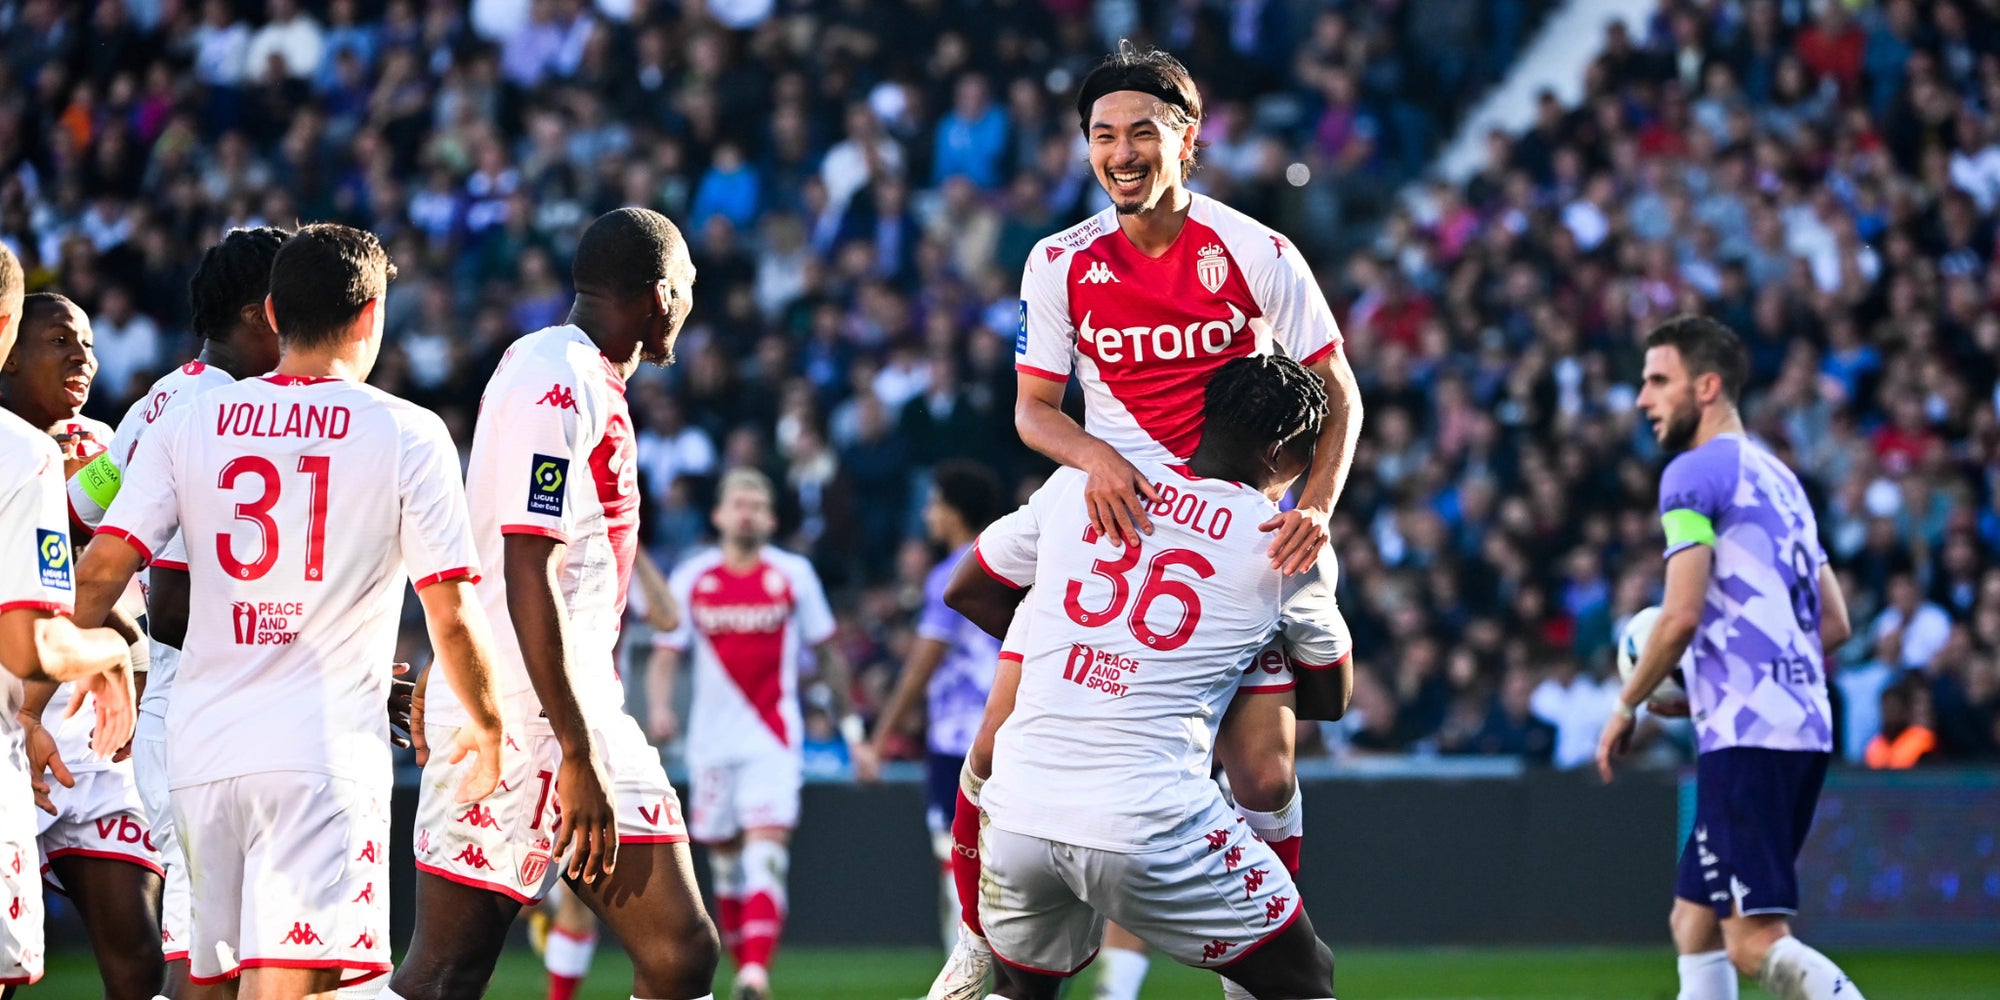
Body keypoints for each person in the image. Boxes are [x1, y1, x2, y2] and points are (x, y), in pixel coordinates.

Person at [935, 42, 1363, 1000]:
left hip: (1230, 522)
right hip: (1106, 511)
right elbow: (1034, 408)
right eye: (1102, 136)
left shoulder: (1257, 252)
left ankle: (1245, 942)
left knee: (1261, 777)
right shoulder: (1060, 261)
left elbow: (1339, 393)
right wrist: (1098, 462)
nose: (1121, 152)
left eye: (1142, 132)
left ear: (1188, 141)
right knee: (997, 737)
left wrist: (1316, 508)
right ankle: (978, 935)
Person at [69, 223, 507, 999]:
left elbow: (101, 564)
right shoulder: (408, 431)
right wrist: (487, 722)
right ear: (372, 315)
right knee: (296, 987)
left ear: (272, 313)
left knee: (205, 980)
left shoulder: (185, 415)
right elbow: (452, 610)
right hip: (320, 754)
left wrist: (65, 677)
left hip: (201, 752)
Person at [942, 354, 1351, 1000]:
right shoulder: (1284, 542)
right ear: (1280, 452)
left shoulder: (1087, 482)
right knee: (1305, 976)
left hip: (1018, 809)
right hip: (1148, 818)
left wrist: (1070, 646)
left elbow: (966, 588)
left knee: (1023, 993)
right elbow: (1330, 696)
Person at [390, 207, 720, 1000]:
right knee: (444, 973)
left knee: (680, 953)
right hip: (525, 719)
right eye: (690, 290)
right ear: (661, 295)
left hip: (575, 704)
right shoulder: (558, 380)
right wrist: (573, 750)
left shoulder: (569, 373)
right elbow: (523, 563)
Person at [1598, 315, 1865, 1000]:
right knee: (1694, 923)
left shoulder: (1692, 475)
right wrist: (1717, 678)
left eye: (1659, 380)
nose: (1642, 398)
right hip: (1799, 721)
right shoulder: (1782, 481)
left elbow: (1681, 614)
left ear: (1707, 387)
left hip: (1749, 737)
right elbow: (1833, 622)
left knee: (1753, 942)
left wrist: (1628, 705)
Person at [64, 225, 290, 997]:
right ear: (266, 313)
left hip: (170, 696)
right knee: (210, 952)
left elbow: (79, 508)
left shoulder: (160, 395)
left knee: (223, 941)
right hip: (199, 699)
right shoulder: (228, 415)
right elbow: (180, 604)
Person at [0, 292, 166, 1000]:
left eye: (90, 343)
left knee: (138, 957)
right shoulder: (23, 456)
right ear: (7, 354)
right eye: (59, 340)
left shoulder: (105, 443)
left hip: (98, 744)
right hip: (16, 720)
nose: (82, 357)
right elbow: (71, 530)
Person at [650, 467, 860, 1000]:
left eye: (757, 504)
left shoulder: (794, 574)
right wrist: (658, 709)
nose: (747, 512)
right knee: (723, 860)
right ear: (718, 515)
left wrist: (853, 731)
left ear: (769, 518)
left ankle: (754, 973)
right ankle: (747, 967)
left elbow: (829, 655)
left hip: (773, 737)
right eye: (737, 502)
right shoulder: (692, 576)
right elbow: (666, 654)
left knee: (764, 852)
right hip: (710, 743)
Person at [859, 459, 1006, 946]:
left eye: (934, 504)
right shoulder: (1014, 559)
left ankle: (963, 983)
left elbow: (920, 668)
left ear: (955, 511)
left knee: (958, 868)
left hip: (960, 742)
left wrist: (879, 741)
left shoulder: (951, 572)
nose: (927, 514)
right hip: (1014, 731)